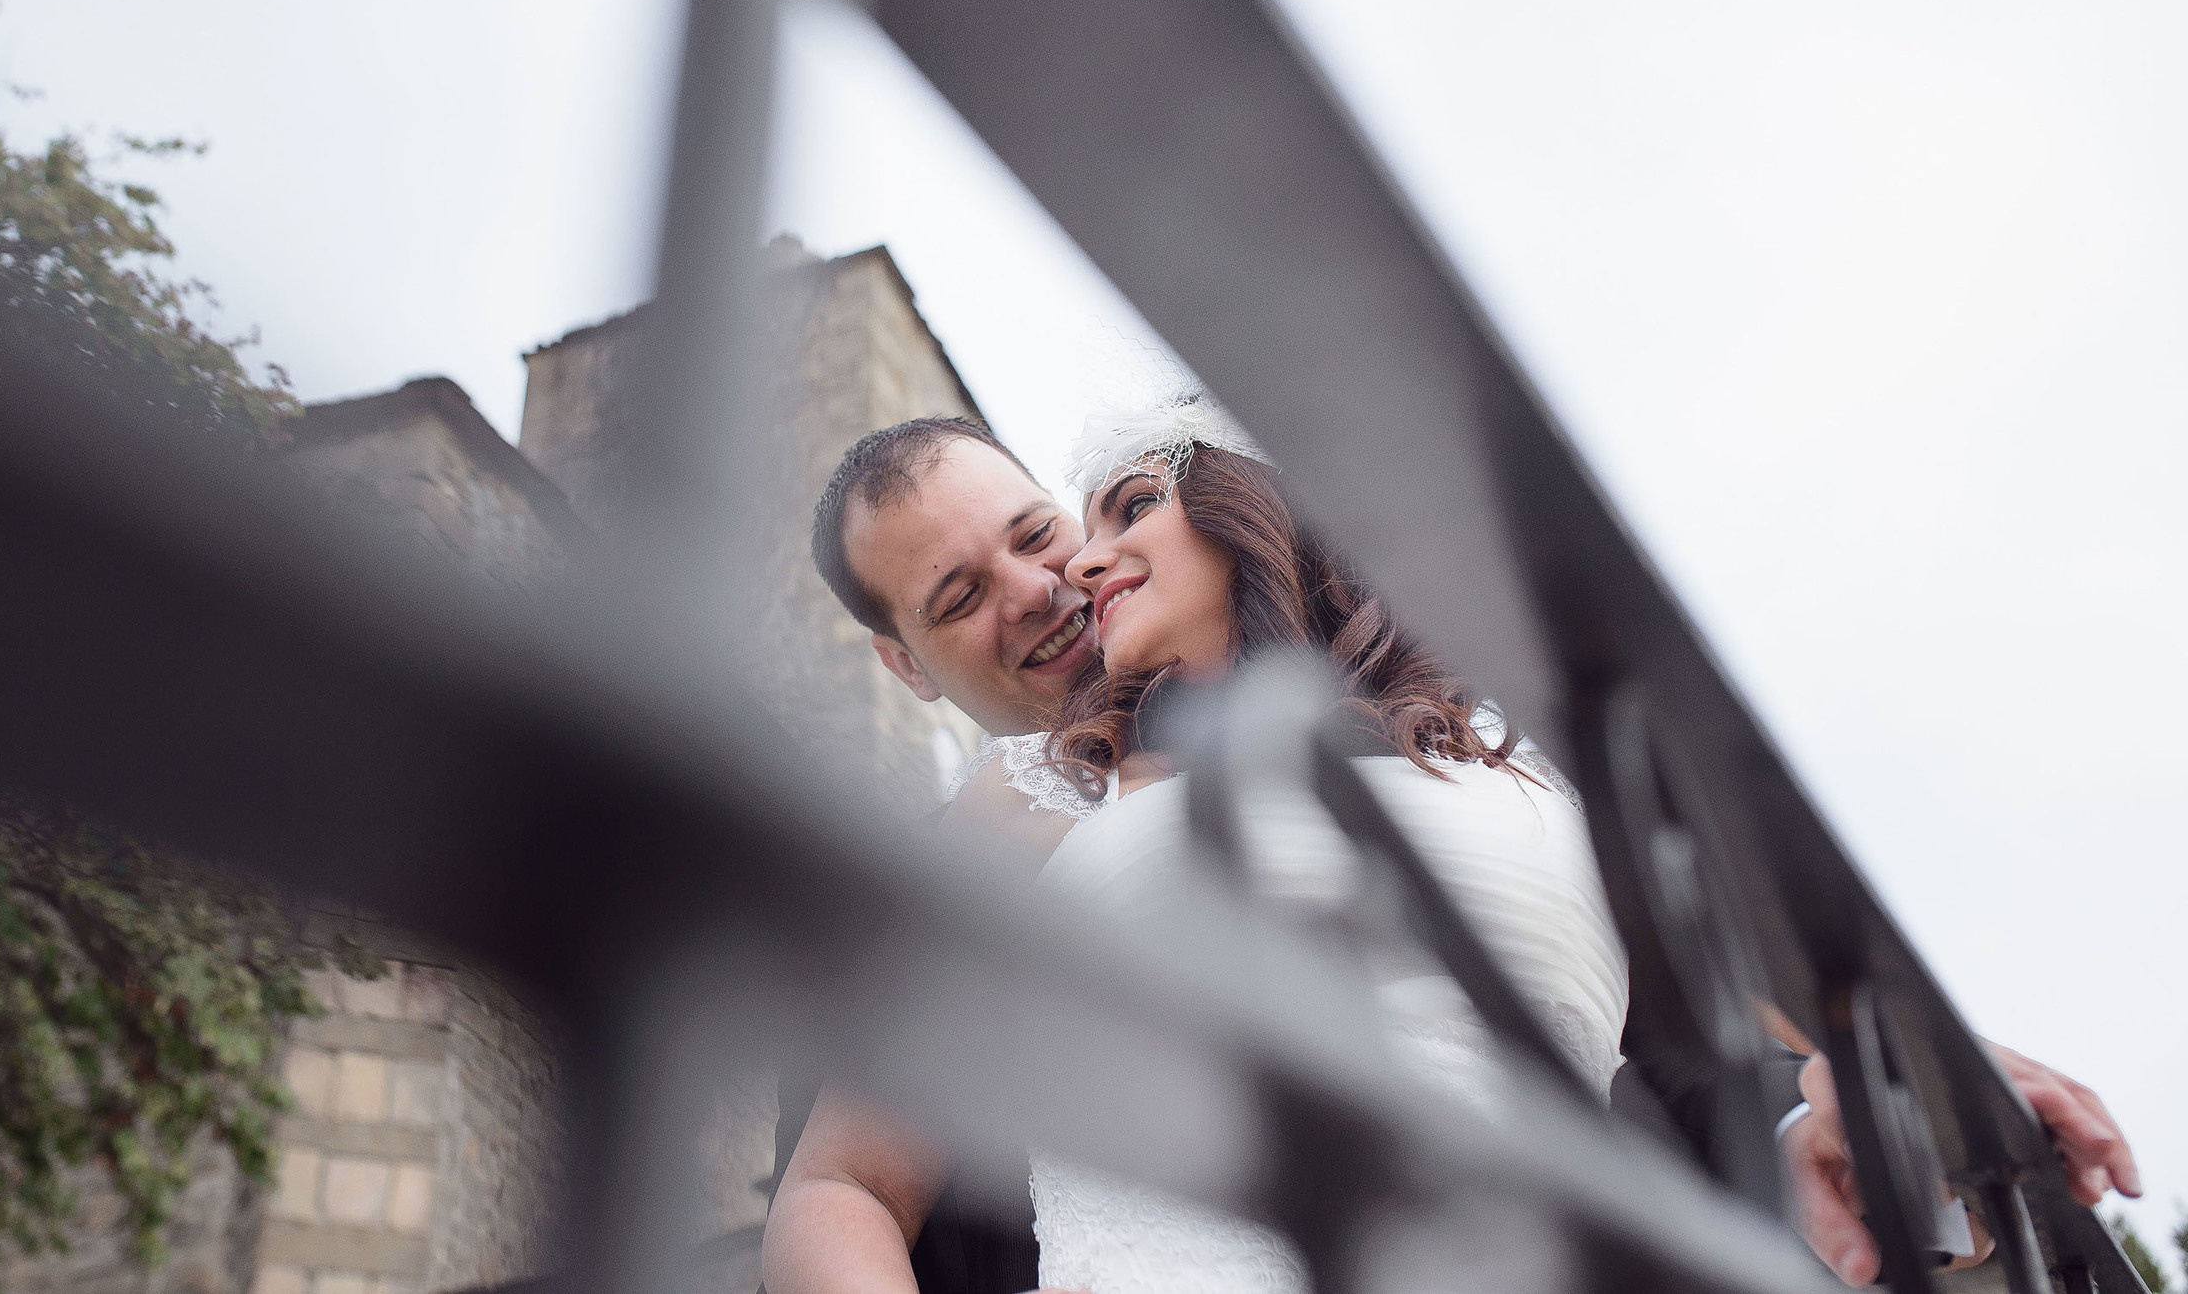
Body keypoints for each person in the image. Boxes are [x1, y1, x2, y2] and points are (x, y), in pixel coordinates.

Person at [760, 412, 2139, 1293]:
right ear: (906, 666)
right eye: (958, 597)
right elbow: (841, 1193)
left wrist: (1887, 1091)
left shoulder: (1455, 761)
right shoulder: (980, 847)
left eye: (1039, 535)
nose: (1040, 591)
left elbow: (1684, 1028)